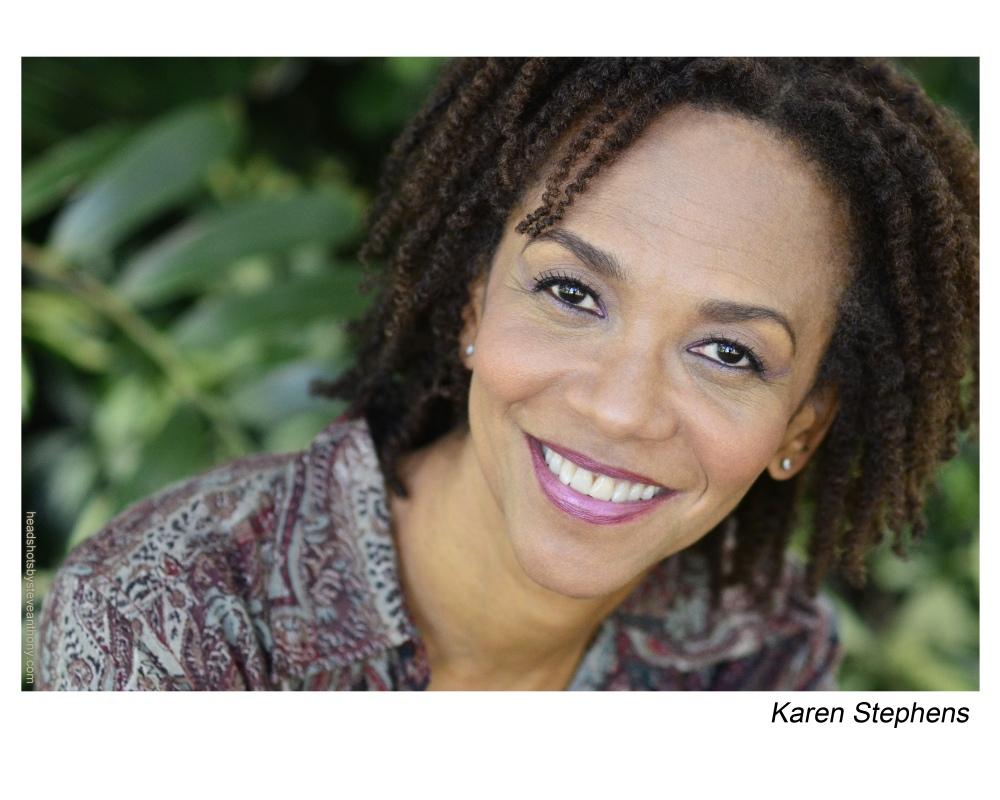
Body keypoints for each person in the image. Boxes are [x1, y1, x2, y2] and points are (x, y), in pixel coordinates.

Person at [36, 57, 979, 691]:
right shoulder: (167, 609)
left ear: (801, 428)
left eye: (728, 353)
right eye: (572, 293)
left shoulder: (755, 655)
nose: (620, 408)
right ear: (473, 305)